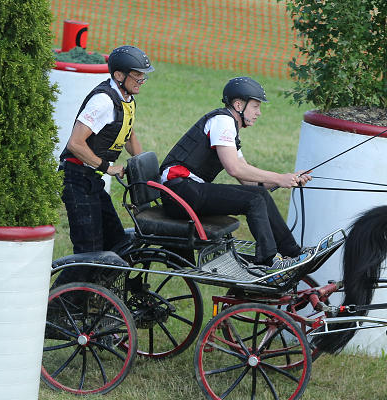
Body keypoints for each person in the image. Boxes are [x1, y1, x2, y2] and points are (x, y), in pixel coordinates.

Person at [159, 77, 313, 272]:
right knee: (254, 201)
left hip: (187, 190)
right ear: (238, 105)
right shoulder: (222, 121)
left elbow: (247, 181)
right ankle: (269, 262)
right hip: (179, 192)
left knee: (259, 196)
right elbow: (234, 168)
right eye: (255, 107)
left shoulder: (229, 128)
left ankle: (293, 254)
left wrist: (287, 179)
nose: (258, 113)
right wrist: (279, 177)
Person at [55, 45, 154, 286]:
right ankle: (55, 309)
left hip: (92, 182)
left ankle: (94, 298)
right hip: (75, 179)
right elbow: (76, 143)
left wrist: (146, 175)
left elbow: (129, 137)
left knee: (117, 242)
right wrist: (107, 168)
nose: (142, 80)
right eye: (137, 75)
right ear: (119, 76)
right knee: (89, 254)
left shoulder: (126, 99)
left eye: (144, 75)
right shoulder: (103, 102)